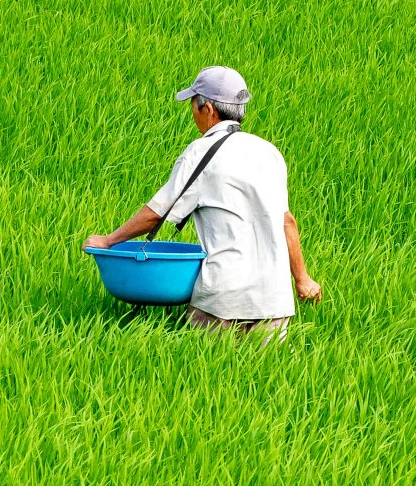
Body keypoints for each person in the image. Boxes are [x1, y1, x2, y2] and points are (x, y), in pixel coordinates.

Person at [85, 65, 322, 336]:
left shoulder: (200, 153)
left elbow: (157, 213)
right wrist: (302, 279)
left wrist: (108, 241)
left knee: (208, 371)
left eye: (193, 106)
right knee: (268, 375)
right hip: (274, 302)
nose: (192, 113)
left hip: (223, 300)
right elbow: (287, 221)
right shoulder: (269, 153)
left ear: (208, 109)